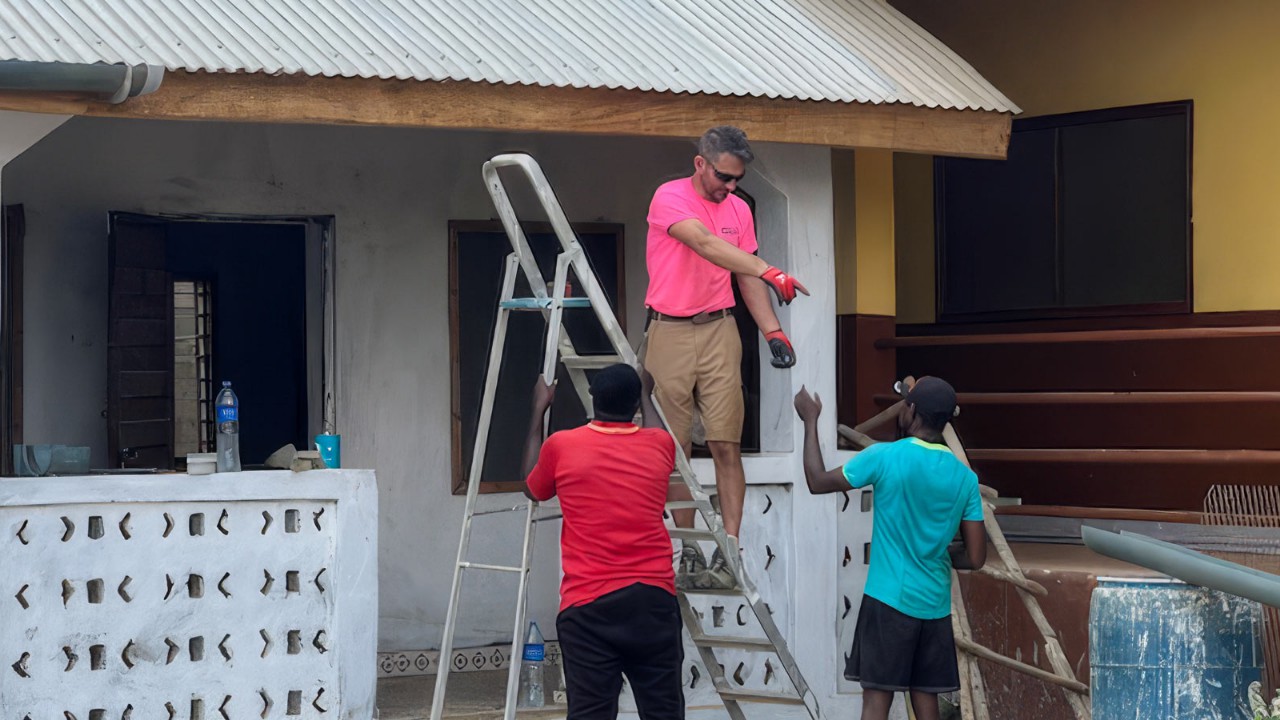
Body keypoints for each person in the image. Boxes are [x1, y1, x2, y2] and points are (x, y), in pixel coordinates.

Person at [644, 125, 808, 589]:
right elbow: (706, 245)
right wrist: (770, 268)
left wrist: (773, 331)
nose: (731, 187)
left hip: (720, 328)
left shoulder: (738, 209)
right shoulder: (669, 197)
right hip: (670, 327)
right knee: (671, 451)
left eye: (738, 180)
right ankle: (690, 549)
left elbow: (745, 276)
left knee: (724, 443)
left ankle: (729, 552)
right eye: (724, 177)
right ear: (701, 163)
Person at [792, 377, 987, 720]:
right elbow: (975, 557)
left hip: (889, 602)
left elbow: (817, 481)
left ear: (911, 412)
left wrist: (810, 420)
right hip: (935, 606)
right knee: (926, 700)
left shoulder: (885, 456)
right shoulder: (965, 478)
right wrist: (937, 553)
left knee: (877, 701)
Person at [522, 364, 684, 719]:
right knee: (665, 713)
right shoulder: (659, 446)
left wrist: (539, 409)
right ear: (636, 405)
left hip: (588, 608)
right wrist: (646, 390)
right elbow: (657, 429)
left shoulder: (562, 445)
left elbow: (532, 487)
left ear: (592, 398)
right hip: (653, 603)